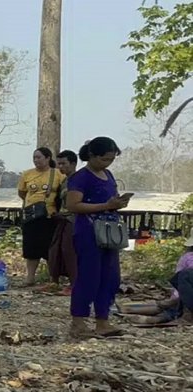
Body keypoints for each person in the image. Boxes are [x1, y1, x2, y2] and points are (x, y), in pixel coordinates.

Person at [66, 137, 130, 338]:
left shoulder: (109, 175)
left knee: (110, 277)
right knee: (88, 276)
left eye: (111, 159)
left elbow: (110, 200)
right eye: (104, 159)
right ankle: (78, 322)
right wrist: (106, 206)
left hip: (110, 231)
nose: (107, 163)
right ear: (91, 155)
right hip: (88, 231)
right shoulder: (80, 177)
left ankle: (103, 321)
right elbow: (73, 205)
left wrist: (118, 204)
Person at [18, 147, 62, 286]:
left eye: (39, 157)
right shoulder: (27, 174)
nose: (36, 160)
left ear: (48, 158)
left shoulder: (58, 174)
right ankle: (30, 278)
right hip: (31, 216)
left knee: (50, 248)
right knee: (31, 248)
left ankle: (52, 279)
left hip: (50, 216)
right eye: (34, 157)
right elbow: (22, 193)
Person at [48, 150, 79, 295]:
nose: (61, 167)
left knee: (70, 253)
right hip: (62, 219)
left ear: (73, 163)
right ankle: (54, 281)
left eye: (63, 163)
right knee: (55, 251)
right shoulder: (65, 180)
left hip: (74, 220)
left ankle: (75, 285)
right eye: (58, 164)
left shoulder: (79, 179)